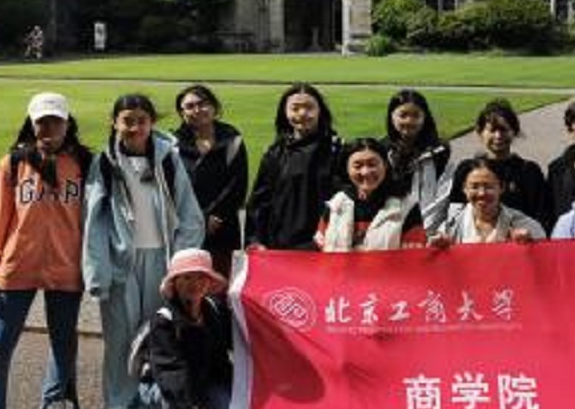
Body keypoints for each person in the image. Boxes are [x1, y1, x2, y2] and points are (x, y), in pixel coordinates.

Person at [0, 92, 92, 409]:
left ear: (68, 123)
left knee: (63, 339)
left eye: (55, 121)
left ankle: (55, 400)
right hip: (18, 263)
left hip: (66, 264)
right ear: (31, 124)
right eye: (42, 122)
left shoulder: (84, 162)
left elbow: (93, 219)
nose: (48, 128)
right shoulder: (12, 164)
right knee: (0, 342)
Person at [82, 93, 205, 409]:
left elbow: (189, 213)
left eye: (141, 120)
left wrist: (180, 265)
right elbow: (93, 220)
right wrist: (97, 271)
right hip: (121, 261)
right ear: (115, 122)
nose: (135, 127)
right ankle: (119, 405)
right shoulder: (105, 163)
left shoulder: (168, 158)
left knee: (156, 336)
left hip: (161, 259)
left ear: (152, 122)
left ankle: (150, 402)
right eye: (127, 121)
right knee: (120, 337)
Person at [130, 248, 234, 409]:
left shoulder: (214, 310)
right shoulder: (163, 321)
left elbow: (221, 360)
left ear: (209, 282)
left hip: (202, 381)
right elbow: (173, 374)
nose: (194, 284)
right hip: (166, 385)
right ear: (174, 283)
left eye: (201, 277)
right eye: (186, 278)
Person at [247, 83, 342, 250]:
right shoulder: (275, 153)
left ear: (320, 110)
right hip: (281, 244)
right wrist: (254, 239)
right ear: (285, 113)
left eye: (309, 107)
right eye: (295, 108)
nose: (302, 113)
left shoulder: (337, 150)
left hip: (324, 243)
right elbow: (260, 202)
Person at [173, 84, 249, 277]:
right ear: (182, 113)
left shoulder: (232, 139)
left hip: (223, 225)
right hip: (186, 224)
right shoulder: (173, 143)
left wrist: (216, 215)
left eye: (203, 104)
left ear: (214, 107)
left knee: (221, 278)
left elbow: (237, 184)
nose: (197, 110)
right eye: (190, 106)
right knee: (188, 279)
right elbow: (173, 187)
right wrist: (198, 218)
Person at [447, 99, 553, 231]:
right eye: (492, 130)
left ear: (514, 132)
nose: (498, 136)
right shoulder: (467, 170)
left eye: (504, 130)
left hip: (519, 239)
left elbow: (542, 216)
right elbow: (454, 214)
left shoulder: (528, 171)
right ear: (480, 132)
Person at [316, 137, 427, 251]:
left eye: (372, 164)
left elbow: (414, 254)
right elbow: (320, 245)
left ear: (385, 165)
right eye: (358, 166)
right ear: (347, 169)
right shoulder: (336, 204)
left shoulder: (406, 206)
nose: (365, 172)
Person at [431, 154, 545, 244]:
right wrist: (440, 249)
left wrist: (530, 245)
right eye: (474, 187)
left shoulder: (526, 226)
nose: (481, 193)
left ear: (502, 188)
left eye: (488, 187)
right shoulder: (449, 228)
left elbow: (544, 258)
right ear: (464, 189)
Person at [384, 88, 452, 232]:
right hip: (390, 227)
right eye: (403, 115)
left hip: (429, 227)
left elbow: (443, 195)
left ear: (425, 117)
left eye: (416, 115)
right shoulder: (382, 150)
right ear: (392, 116)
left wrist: (425, 228)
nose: (409, 121)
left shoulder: (439, 151)